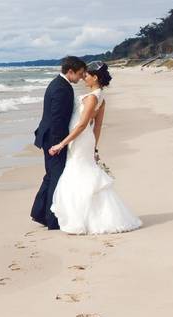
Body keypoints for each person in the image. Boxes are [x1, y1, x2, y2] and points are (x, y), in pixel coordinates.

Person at [49, 61, 142, 234]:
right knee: (82, 172)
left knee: (78, 173)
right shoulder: (101, 97)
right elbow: (97, 127)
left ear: (95, 77)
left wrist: (62, 143)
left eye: (87, 75)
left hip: (80, 138)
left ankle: (83, 218)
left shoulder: (92, 97)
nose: (84, 77)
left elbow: (83, 125)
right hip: (86, 140)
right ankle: (89, 215)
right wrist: (94, 147)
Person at [30, 55, 87, 230]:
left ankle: (39, 213)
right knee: (56, 177)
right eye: (80, 74)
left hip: (49, 137)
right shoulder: (61, 88)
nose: (82, 77)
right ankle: (52, 220)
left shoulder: (59, 84)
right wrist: (59, 145)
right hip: (53, 139)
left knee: (50, 176)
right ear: (70, 71)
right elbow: (57, 120)